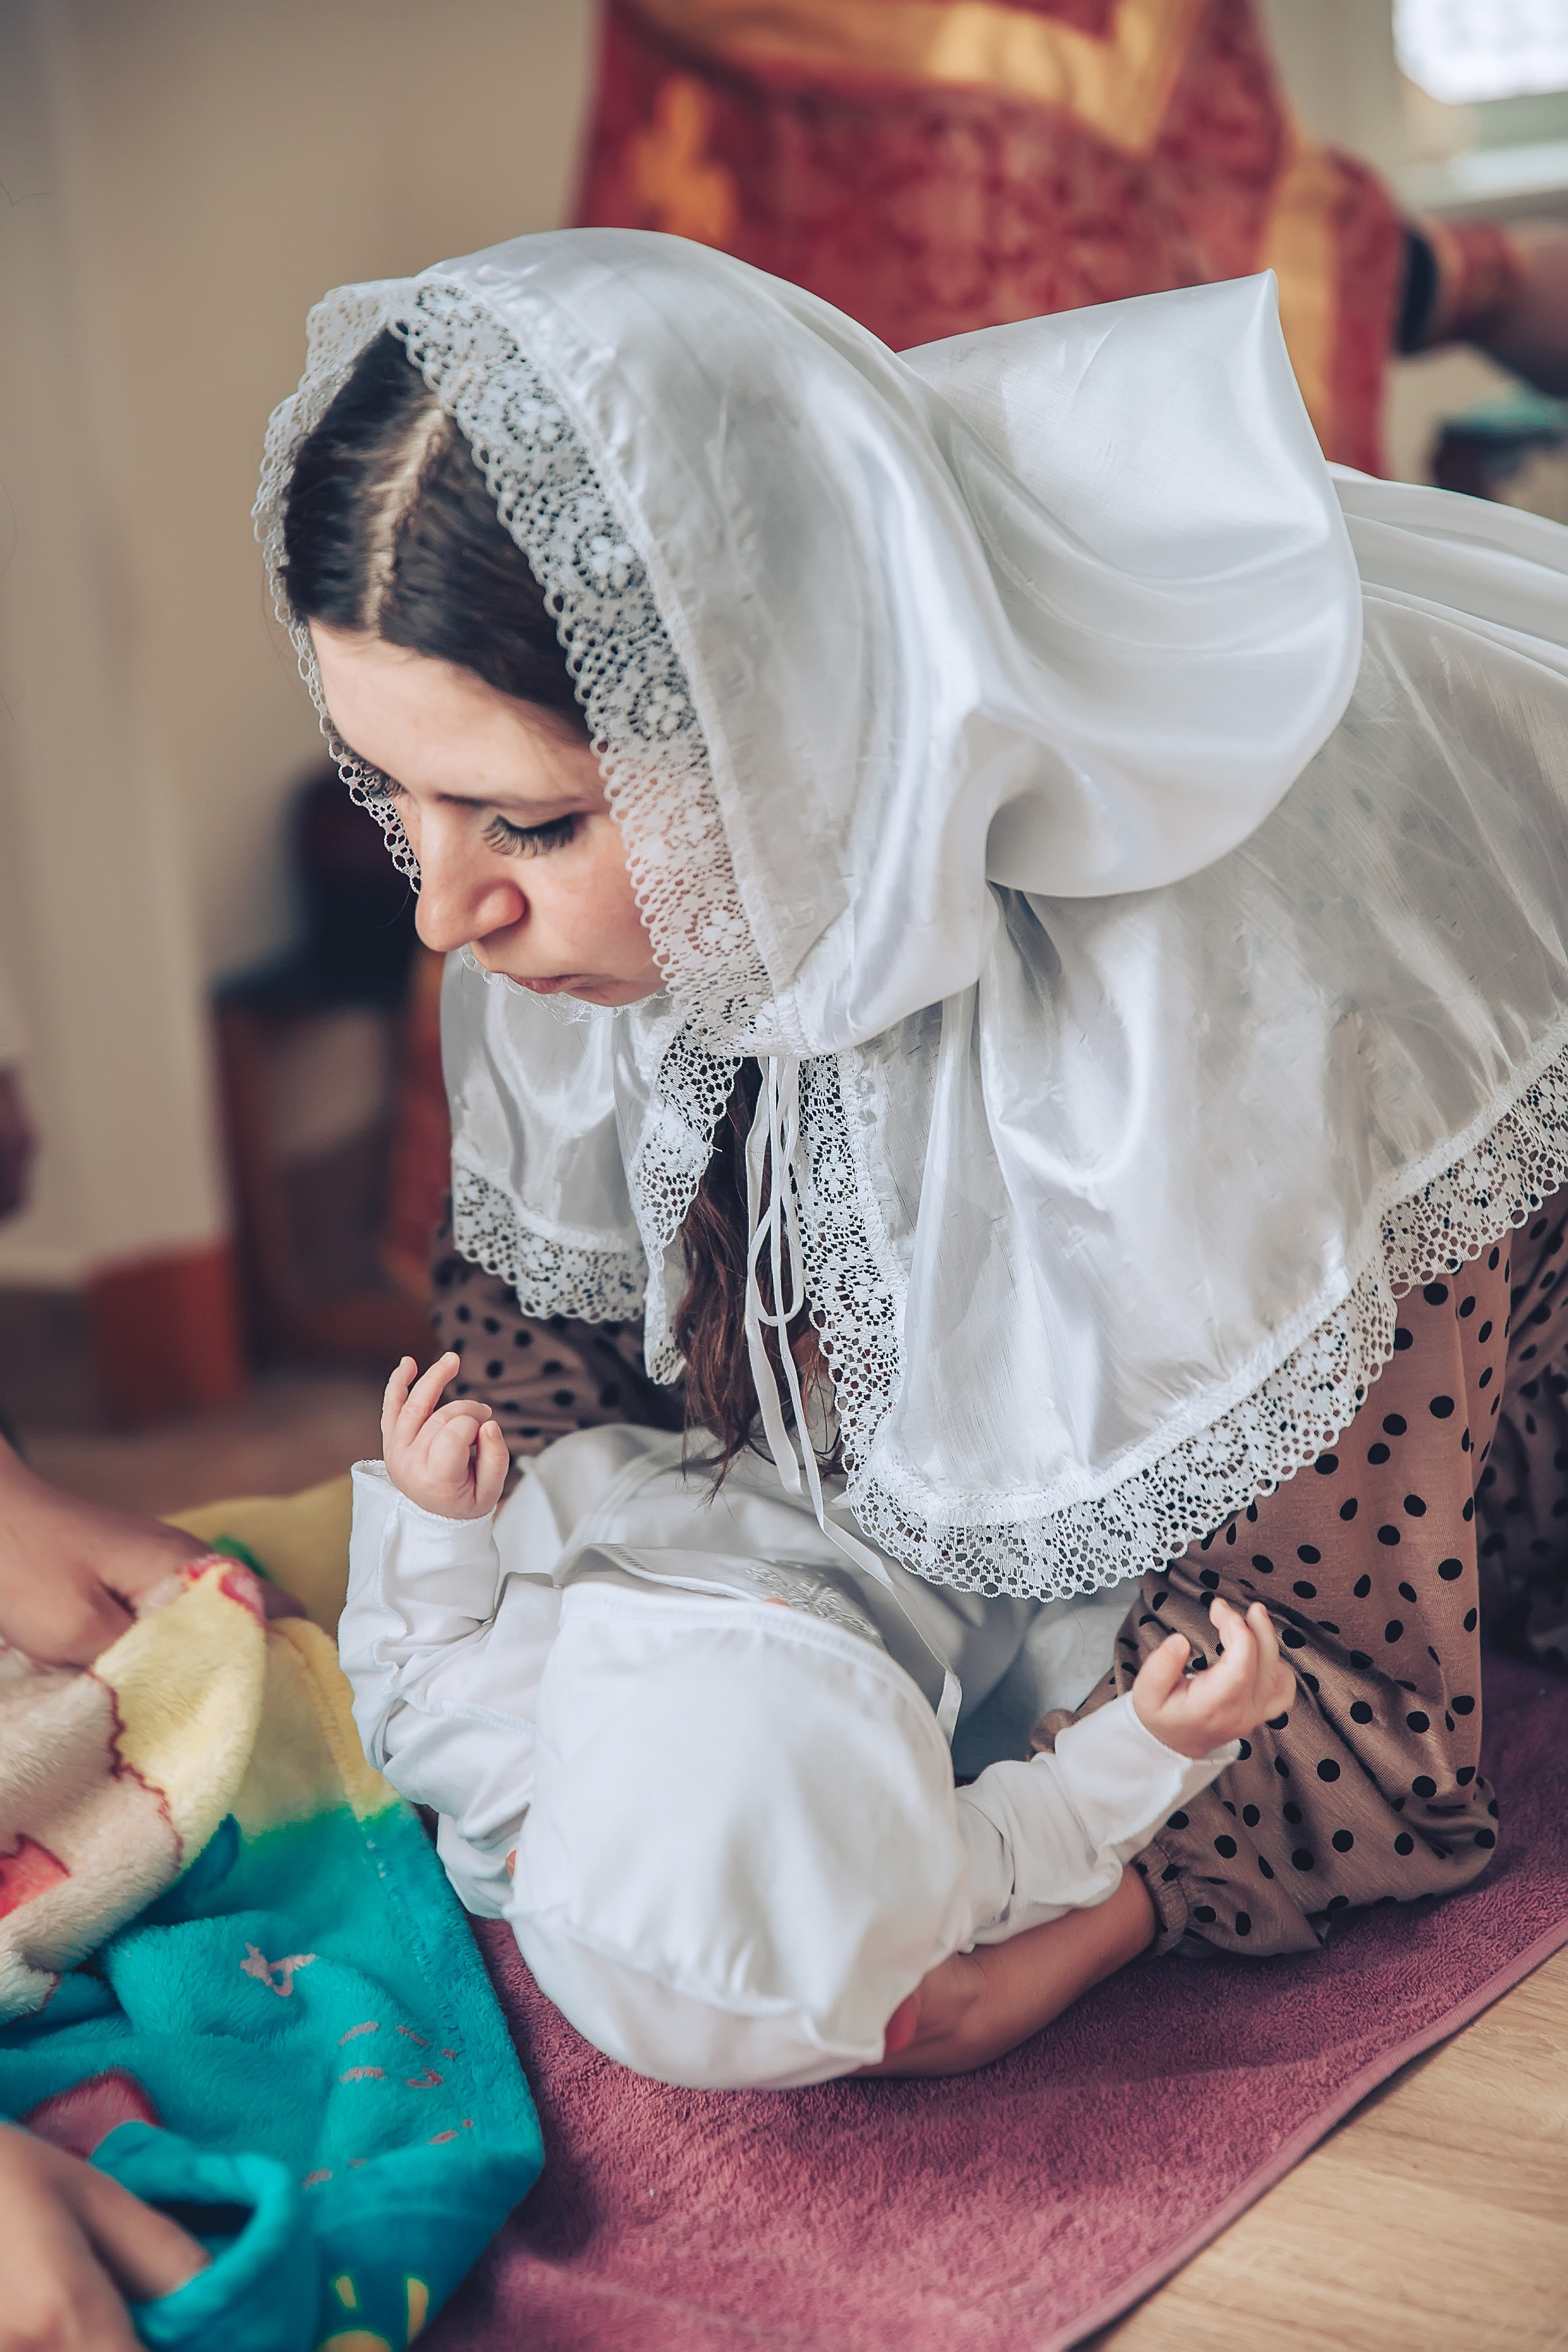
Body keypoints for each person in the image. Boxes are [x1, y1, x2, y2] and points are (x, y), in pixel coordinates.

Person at [341, 1348, 1291, 2085]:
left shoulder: (512, 1758)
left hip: (650, 1518)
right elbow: (1042, 1825)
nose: (771, 1602)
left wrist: (433, 1522)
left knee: (570, 1492)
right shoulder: (893, 1900)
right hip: (910, 1567)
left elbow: (407, 1674)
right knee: (1033, 1542)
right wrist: (1156, 1742)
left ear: (529, 1850)